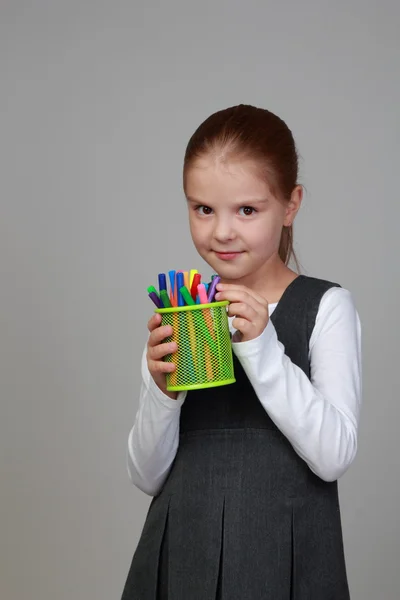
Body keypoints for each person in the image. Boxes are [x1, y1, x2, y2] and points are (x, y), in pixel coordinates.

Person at [121, 104, 362, 599]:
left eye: (247, 210)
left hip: (286, 557)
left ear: (291, 204)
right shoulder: (183, 309)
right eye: (202, 209)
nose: (222, 232)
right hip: (182, 551)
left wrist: (262, 346)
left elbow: (333, 455)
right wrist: (162, 394)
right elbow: (147, 475)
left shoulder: (325, 306)